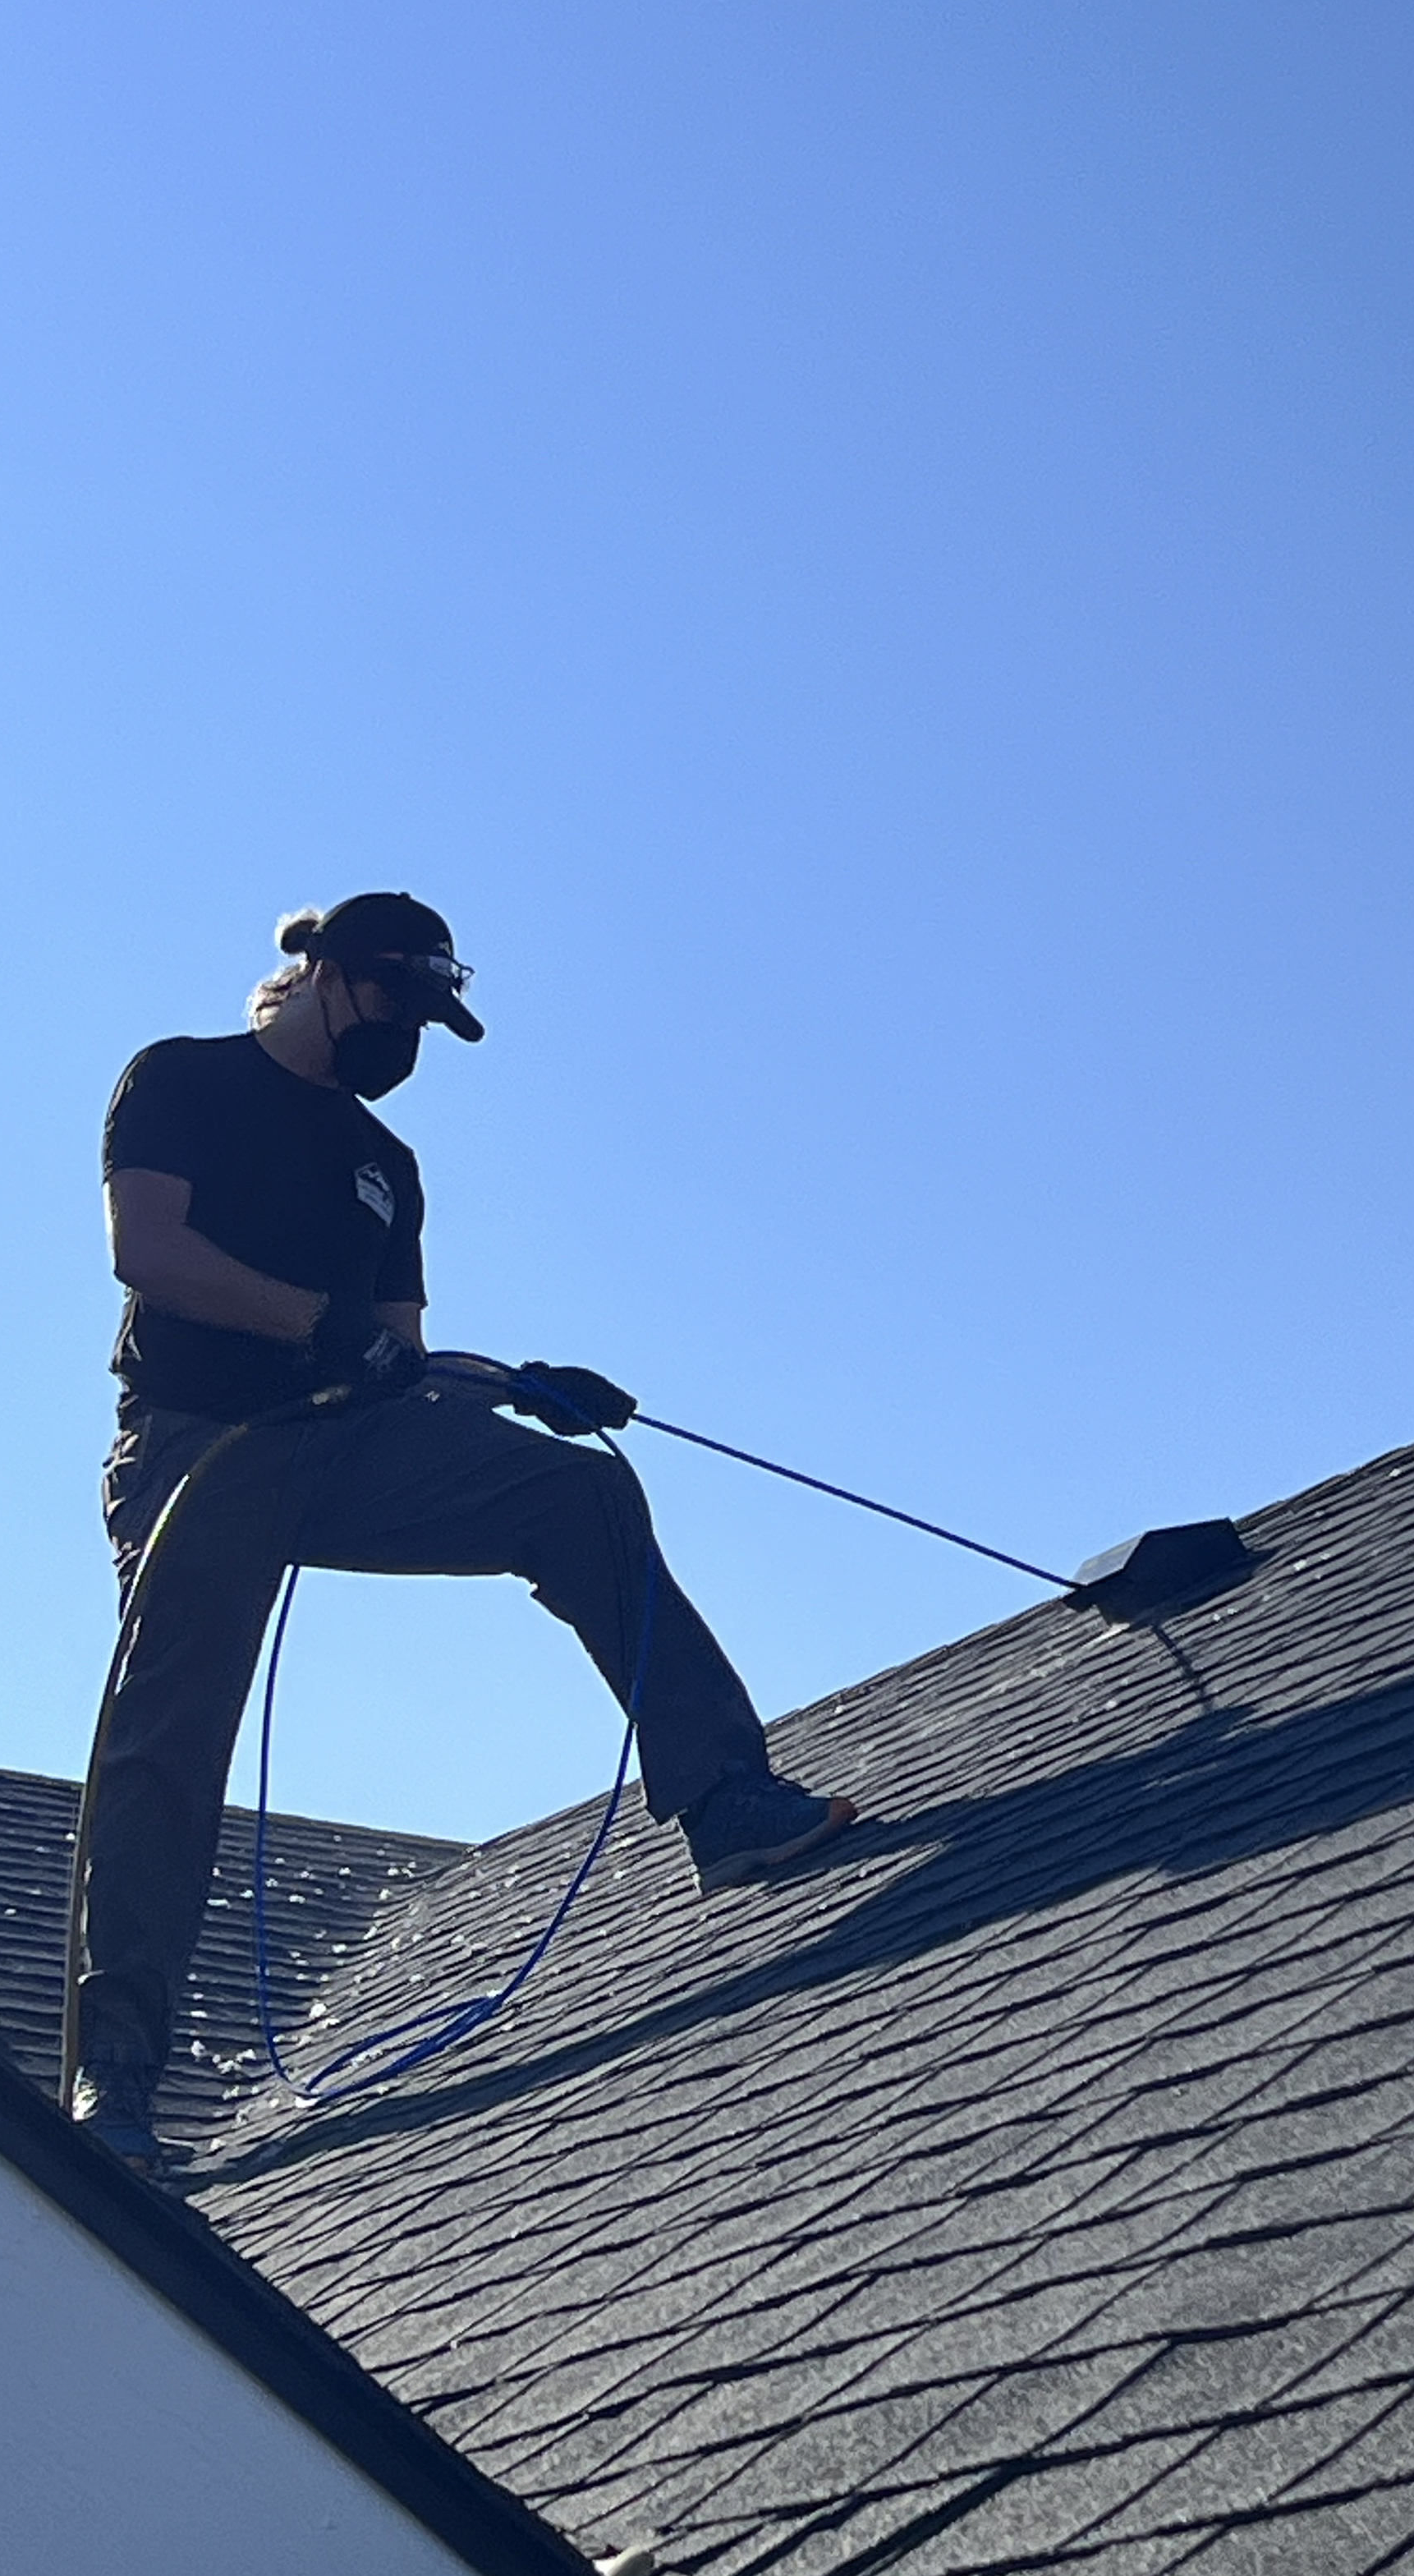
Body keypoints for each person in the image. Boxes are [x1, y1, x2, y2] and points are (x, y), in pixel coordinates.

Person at [70, 891, 856, 2169]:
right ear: (325, 975)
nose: (406, 1036)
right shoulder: (180, 1081)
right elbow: (148, 1254)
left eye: (430, 1018)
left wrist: (516, 1386)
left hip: (348, 1447)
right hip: (199, 1449)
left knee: (580, 1492)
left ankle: (725, 1800)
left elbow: (400, 1359)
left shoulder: (389, 1166)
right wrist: (318, 1325)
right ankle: (116, 2079)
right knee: (169, 1738)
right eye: (393, 1003)